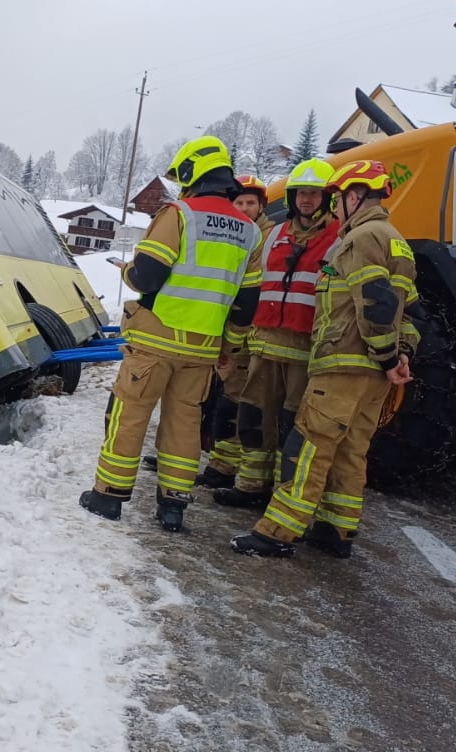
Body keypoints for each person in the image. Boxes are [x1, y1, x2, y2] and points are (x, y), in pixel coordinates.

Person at [231, 160, 417, 558]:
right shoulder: (397, 241)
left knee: (309, 444)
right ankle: (337, 529)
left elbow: (376, 305)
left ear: (354, 196)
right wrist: (401, 354)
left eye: (339, 197)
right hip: (371, 375)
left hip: (345, 363)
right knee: (352, 449)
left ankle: (279, 530)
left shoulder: (361, 238)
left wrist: (387, 355)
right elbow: (410, 313)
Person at [81, 136, 260, 533]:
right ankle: (174, 506)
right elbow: (247, 304)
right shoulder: (250, 231)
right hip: (203, 350)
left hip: (155, 343)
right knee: (184, 424)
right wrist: (228, 346)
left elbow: (147, 275)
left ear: (195, 172)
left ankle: (108, 496)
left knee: (130, 414)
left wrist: (126, 271)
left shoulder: (179, 214)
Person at [217, 159, 340, 509]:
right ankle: (251, 485)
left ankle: (282, 495)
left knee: (292, 426)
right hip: (264, 344)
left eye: (314, 194)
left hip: (305, 349)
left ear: (327, 198)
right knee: (254, 417)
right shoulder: (272, 236)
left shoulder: (338, 238)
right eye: (302, 193)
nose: (307, 200)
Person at [145, 173, 271, 487]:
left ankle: (225, 469)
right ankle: (205, 465)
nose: (243, 207)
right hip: (218, 334)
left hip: (242, 335)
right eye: (239, 201)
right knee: (203, 406)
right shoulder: (238, 233)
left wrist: (231, 342)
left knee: (226, 406)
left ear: (261, 206)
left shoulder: (259, 237)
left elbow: (248, 294)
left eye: (250, 203)